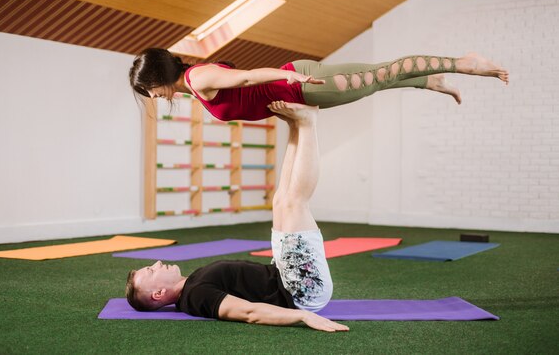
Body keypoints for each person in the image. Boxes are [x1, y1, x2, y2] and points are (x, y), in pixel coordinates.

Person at [125, 101, 349, 332]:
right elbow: (249, 313)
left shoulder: (191, 285)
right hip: (299, 291)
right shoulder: (196, 296)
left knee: (281, 201)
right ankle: (308, 123)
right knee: (294, 204)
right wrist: (302, 316)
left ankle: (295, 125)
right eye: (151, 270)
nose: (157, 263)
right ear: (159, 293)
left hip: (283, 273)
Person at [128, 48, 509, 121]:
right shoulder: (194, 88)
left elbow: (245, 77)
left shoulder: (197, 78)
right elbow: (245, 95)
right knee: (377, 82)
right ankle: (430, 81)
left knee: (384, 71)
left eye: (149, 90)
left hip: (304, 85)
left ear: (158, 79)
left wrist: (287, 75)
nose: (153, 97)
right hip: (302, 92)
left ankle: (464, 63)